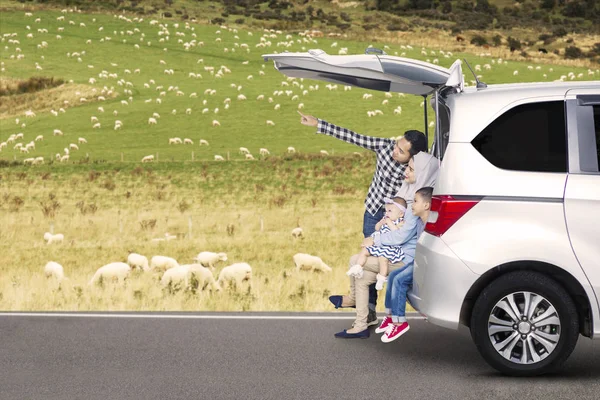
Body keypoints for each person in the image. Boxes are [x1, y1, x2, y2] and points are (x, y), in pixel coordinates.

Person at [298, 111, 429, 321]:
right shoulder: (385, 147)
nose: (395, 151)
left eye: (401, 151)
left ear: (412, 157)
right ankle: (367, 310)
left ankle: (375, 309)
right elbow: (353, 136)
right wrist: (318, 123)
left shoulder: (415, 171)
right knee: (368, 254)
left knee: (380, 259)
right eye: (397, 145)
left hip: (394, 220)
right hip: (372, 212)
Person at [332, 152, 439, 339]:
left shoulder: (417, 202)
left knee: (355, 261)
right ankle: (360, 324)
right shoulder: (409, 195)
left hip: (403, 258)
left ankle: (355, 304)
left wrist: (374, 240)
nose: (406, 171)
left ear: (422, 172)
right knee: (363, 278)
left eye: (411, 168)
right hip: (396, 254)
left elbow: (401, 236)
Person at [374, 186, 434, 343]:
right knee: (393, 276)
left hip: (426, 265)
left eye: (415, 201)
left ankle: (399, 322)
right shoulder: (420, 222)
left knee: (400, 280)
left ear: (426, 205)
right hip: (418, 262)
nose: (411, 205)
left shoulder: (431, 224)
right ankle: (390, 316)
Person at [347, 197, 407, 290]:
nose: (386, 214)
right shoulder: (385, 219)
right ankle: (358, 267)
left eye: (390, 211)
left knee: (383, 259)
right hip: (379, 244)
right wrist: (380, 223)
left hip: (389, 247)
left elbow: (396, 233)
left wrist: (389, 223)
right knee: (365, 250)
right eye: (386, 211)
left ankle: (382, 277)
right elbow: (376, 228)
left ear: (401, 214)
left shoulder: (401, 222)